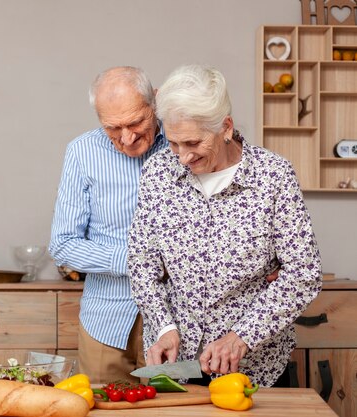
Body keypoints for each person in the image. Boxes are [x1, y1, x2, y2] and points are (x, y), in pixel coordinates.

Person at [127, 64, 322, 387]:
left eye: (192, 143)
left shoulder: (272, 176)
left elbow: (303, 273)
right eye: (174, 143)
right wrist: (163, 327)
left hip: (254, 368)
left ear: (226, 127)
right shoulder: (157, 173)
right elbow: (142, 261)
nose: (182, 158)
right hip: (179, 369)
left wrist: (242, 336)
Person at [49, 66, 169, 383]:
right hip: (106, 319)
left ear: (155, 102)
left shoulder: (184, 143)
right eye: (113, 127)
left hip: (177, 320)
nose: (127, 138)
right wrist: (134, 261)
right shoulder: (81, 152)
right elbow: (62, 245)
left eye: (135, 123)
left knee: (173, 411)